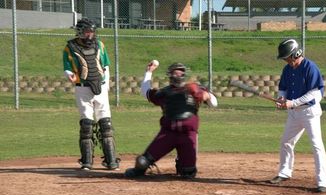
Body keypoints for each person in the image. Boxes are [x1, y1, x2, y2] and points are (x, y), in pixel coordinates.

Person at [125, 61, 217, 179]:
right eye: (175, 72)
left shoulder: (194, 89)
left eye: (181, 72)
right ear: (170, 75)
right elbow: (146, 92)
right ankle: (139, 171)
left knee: (188, 172)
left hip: (188, 134)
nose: (178, 74)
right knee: (142, 162)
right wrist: (149, 72)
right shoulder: (165, 92)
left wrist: (207, 95)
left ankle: (182, 161)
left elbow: (214, 103)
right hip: (168, 134)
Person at [269, 38, 326, 193]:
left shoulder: (310, 67)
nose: (285, 60)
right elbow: (283, 88)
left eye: (287, 57)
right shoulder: (287, 69)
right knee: (286, 142)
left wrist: (293, 103)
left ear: (296, 53)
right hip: (294, 114)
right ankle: (284, 173)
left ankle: (322, 181)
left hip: (310, 113)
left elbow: (315, 93)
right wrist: (282, 98)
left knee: (316, 145)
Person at [63, 18, 120, 170]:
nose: (90, 35)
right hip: (82, 88)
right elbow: (67, 67)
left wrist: (107, 84)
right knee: (87, 124)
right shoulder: (70, 47)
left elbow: (106, 66)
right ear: (80, 32)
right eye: (87, 32)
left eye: (92, 32)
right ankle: (87, 161)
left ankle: (111, 160)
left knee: (106, 123)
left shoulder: (100, 45)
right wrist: (69, 75)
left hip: (100, 87)